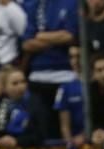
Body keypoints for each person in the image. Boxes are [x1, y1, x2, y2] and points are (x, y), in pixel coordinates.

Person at [21, 0, 78, 137]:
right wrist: (57, 39)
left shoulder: (73, 3)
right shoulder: (34, 5)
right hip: (37, 76)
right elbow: (27, 44)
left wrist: (41, 36)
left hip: (66, 75)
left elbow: (71, 36)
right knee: (40, 129)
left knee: (65, 130)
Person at [0, 66, 49, 149]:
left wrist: (17, 141)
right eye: (15, 83)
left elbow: (41, 134)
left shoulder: (36, 103)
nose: (21, 86)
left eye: (23, 82)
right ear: (4, 88)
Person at [53, 45, 85, 146]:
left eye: (78, 56)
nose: (75, 61)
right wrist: (70, 144)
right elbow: (64, 126)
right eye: (71, 57)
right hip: (77, 143)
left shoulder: (97, 84)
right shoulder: (65, 88)